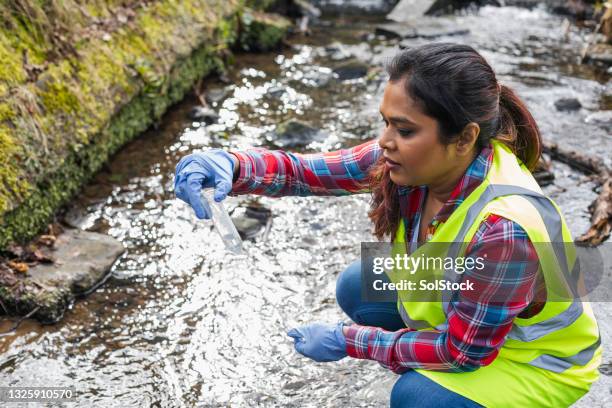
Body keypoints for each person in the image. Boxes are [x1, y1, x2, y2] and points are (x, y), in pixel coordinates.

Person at [173, 43, 601, 407]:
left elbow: (462, 352)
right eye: (386, 122)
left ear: (465, 138)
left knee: (415, 396)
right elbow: (307, 172)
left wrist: (352, 340)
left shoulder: (505, 229)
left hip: (534, 362)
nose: (385, 141)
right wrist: (230, 164)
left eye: (405, 129)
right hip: (476, 308)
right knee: (358, 284)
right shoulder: (415, 161)